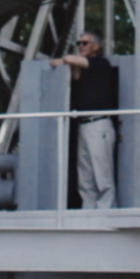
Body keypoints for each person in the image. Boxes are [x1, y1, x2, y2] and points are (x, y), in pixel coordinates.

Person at [48, 30, 117, 209]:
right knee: (85, 174)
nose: (80, 46)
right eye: (79, 43)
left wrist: (65, 60)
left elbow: (70, 60)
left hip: (99, 124)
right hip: (83, 124)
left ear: (96, 46)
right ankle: (88, 210)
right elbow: (58, 64)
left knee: (102, 173)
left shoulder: (101, 63)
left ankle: (106, 211)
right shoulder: (82, 70)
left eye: (85, 43)